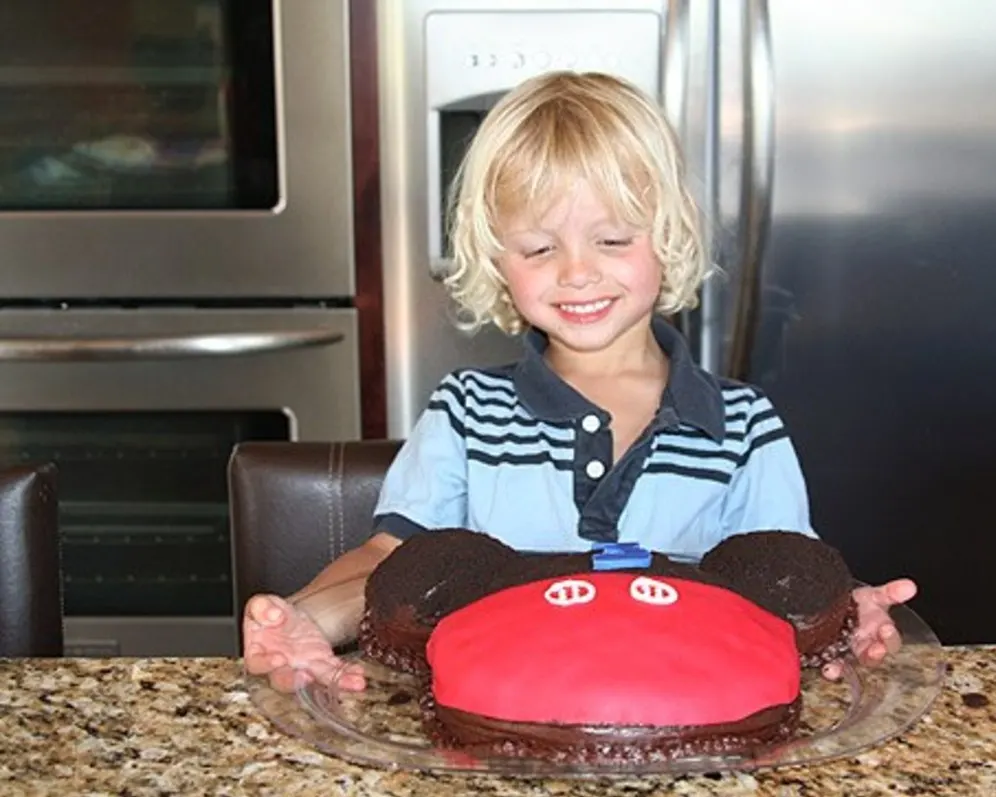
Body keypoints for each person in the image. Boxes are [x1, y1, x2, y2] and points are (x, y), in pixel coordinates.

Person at [244, 71, 918, 693]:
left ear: (669, 235)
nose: (576, 272)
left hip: (693, 720)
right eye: (540, 248)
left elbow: (785, 580)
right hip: (489, 718)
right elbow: (390, 560)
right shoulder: (466, 413)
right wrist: (307, 615)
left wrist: (846, 612)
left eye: (613, 240)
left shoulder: (743, 426)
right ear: (497, 259)